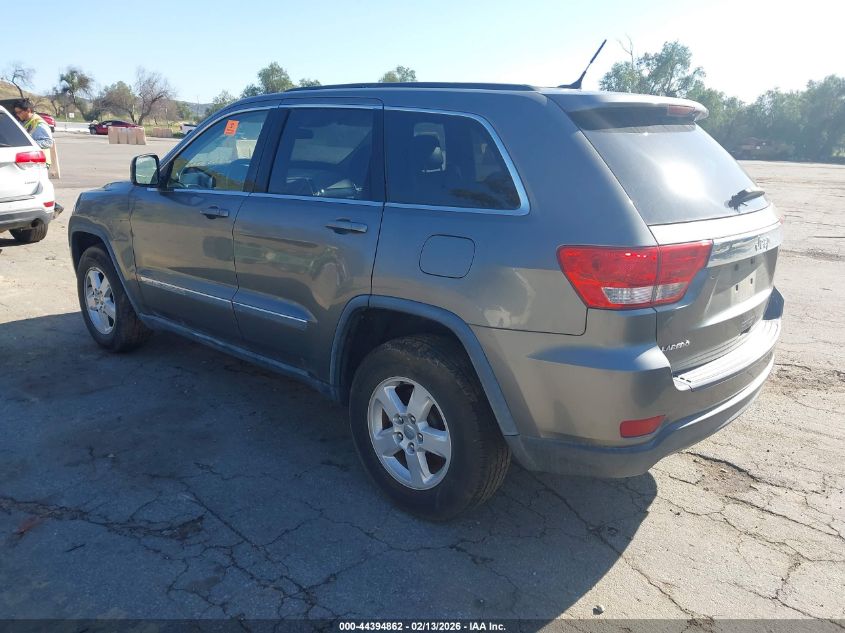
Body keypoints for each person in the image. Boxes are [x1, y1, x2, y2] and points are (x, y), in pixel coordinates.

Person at [13, 98, 54, 165]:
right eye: (16, 113)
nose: (17, 114)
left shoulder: (39, 124)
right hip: (31, 160)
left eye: (19, 112)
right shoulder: (24, 122)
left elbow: (49, 142)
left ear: (28, 110)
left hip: (41, 162)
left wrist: (29, 143)